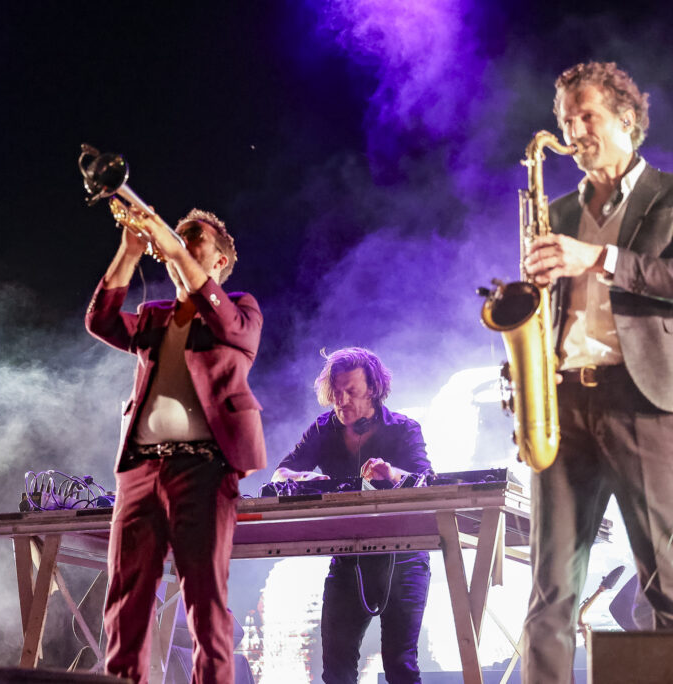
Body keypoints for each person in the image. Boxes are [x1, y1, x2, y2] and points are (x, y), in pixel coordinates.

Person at [520, 61, 673, 682]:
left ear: (627, 120)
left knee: (667, 584)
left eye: (588, 117)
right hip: (563, 406)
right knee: (550, 595)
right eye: (564, 120)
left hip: (648, 404)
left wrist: (599, 258)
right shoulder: (553, 208)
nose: (574, 131)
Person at [85, 205, 266, 684]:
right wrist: (129, 251)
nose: (181, 243)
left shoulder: (240, 310)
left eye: (194, 239)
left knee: (206, 609)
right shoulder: (155, 315)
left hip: (203, 471)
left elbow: (227, 327)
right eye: (178, 237)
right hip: (141, 471)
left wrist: (172, 249)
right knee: (125, 607)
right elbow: (101, 320)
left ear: (220, 264)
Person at [273, 347, 431, 684]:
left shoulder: (403, 428)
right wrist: (304, 478)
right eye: (336, 392)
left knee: (401, 666)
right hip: (348, 558)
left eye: (351, 392)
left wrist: (390, 472)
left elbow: (426, 482)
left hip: (404, 557)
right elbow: (282, 472)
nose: (341, 400)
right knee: (337, 668)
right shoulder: (322, 428)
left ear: (373, 388)